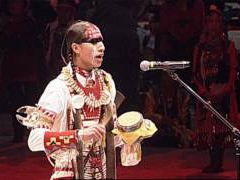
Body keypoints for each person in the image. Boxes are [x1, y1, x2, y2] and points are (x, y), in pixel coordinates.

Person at [15, 21, 155, 179]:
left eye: (101, 41)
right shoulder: (58, 88)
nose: (101, 47)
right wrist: (79, 135)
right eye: (94, 42)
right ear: (76, 48)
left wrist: (129, 135)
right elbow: (34, 140)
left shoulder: (107, 83)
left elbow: (109, 139)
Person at [192, 5, 240, 173]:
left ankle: (218, 161)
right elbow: (195, 72)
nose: (213, 25)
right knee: (209, 128)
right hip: (206, 93)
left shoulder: (229, 46)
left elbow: (233, 70)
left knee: (222, 127)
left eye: (217, 21)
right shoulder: (200, 47)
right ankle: (213, 161)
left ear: (221, 24)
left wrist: (225, 89)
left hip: (224, 93)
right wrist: (202, 90)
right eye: (210, 21)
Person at [0, 0, 46, 143]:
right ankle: (18, 132)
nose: (13, 6)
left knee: (31, 100)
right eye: (11, 3)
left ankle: (33, 132)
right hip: (13, 67)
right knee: (16, 101)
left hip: (28, 66)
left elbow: (31, 43)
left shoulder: (30, 22)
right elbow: (3, 43)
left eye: (17, 3)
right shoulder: (7, 23)